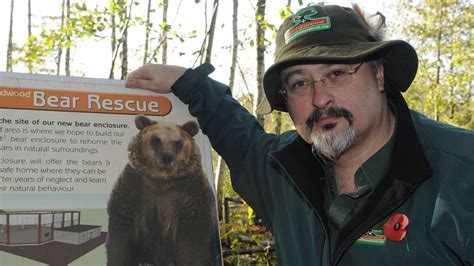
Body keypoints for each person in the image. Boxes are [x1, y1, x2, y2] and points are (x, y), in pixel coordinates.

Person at [125, 4, 474, 265]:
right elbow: (236, 133)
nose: (320, 98)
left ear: (379, 76)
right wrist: (189, 83)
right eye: (300, 83)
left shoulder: (461, 174)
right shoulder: (282, 172)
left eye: (337, 73)